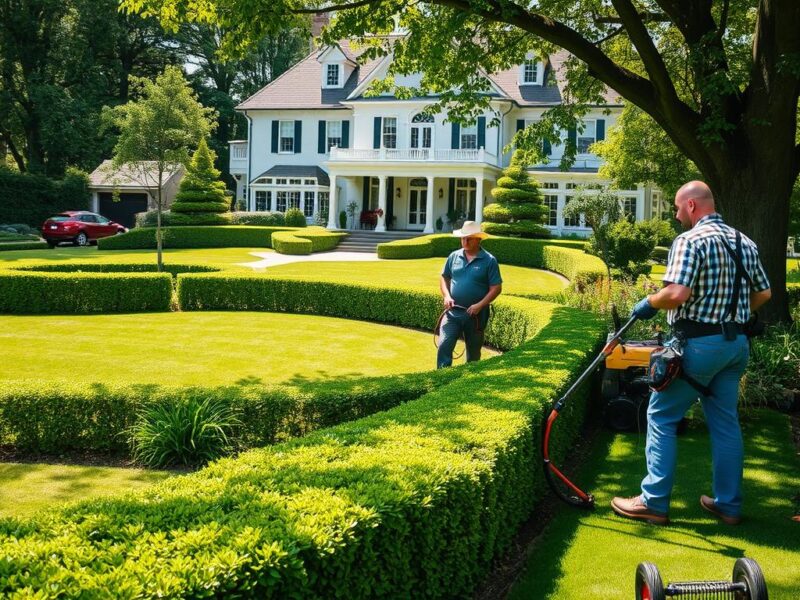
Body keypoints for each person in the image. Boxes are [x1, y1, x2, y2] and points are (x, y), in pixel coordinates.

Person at [611, 181, 772, 526]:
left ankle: (653, 502)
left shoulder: (690, 240)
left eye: (677, 207)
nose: (675, 213)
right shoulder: (745, 242)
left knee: (662, 416)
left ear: (693, 207)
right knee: (726, 424)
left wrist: (649, 302)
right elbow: (764, 293)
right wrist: (737, 316)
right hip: (735, 347)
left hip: (698, 346)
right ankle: (728, 505)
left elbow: (677, 293)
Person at [437, 221, 502, 368]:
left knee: (473, 354)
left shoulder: (489, 260)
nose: (465, 241)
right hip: (452, 312)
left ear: (478, 239)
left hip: (476, 316)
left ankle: (468, 382)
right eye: (463, 238)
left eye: (469, 238)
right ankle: (441, 382)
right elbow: (444, 277)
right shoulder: (454, 256)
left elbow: (496, 288)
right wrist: (447, 296)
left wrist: (479, 305)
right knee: (444, 344)